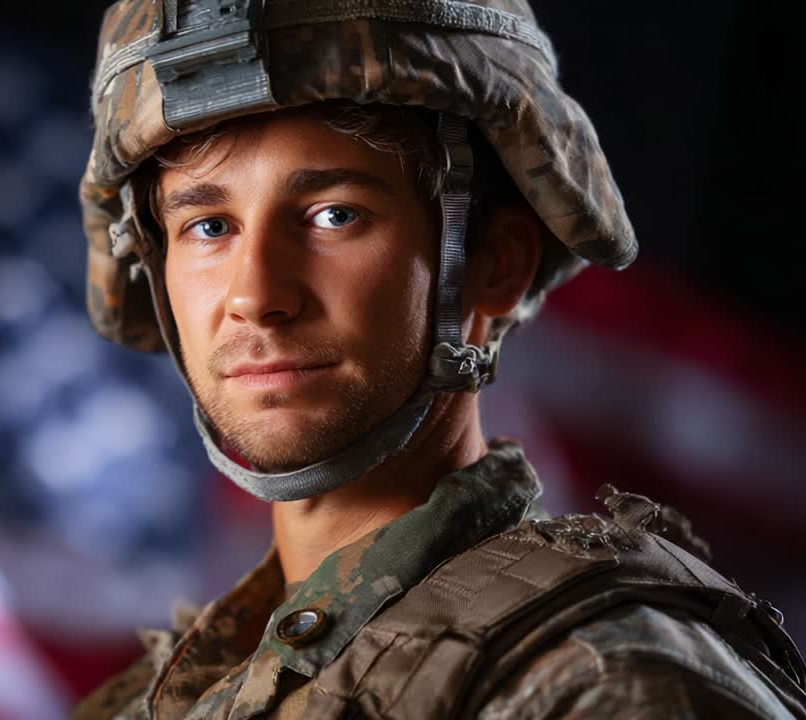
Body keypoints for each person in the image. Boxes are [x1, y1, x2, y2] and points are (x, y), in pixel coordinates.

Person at [71, 1, 806, 717]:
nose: (256, 296)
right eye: (208, 226)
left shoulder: (600, 683)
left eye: (335, 215)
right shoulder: (154, 700)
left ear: (495, 264)